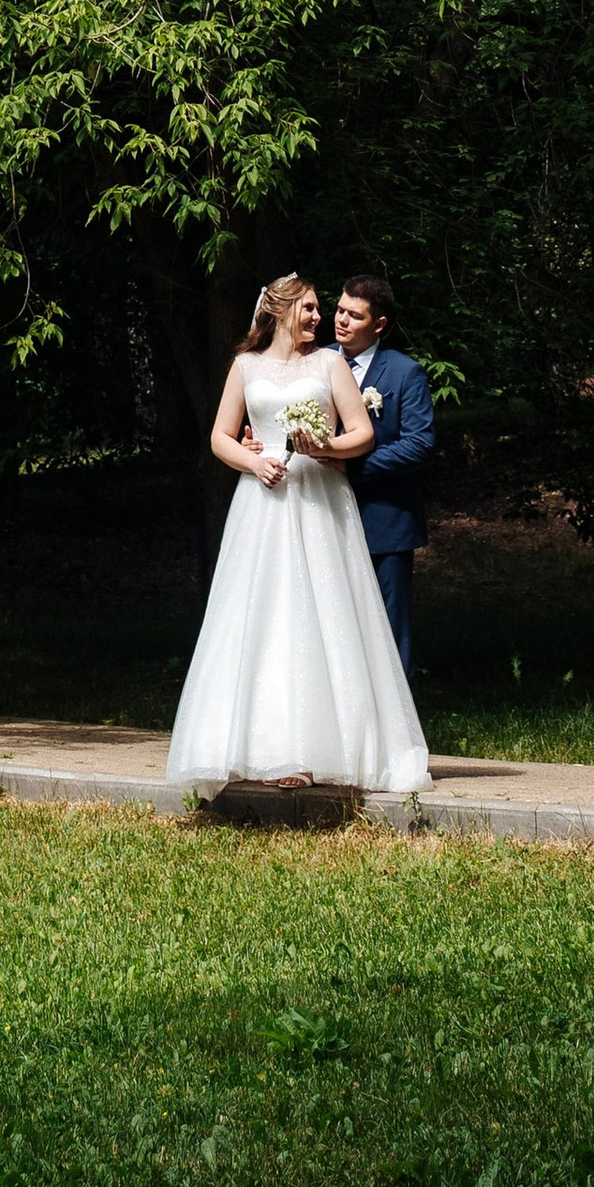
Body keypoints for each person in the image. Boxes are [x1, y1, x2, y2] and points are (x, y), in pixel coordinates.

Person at [164, 273, 431, 796]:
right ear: (280, 309)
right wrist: (253, 462)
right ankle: (246, 745)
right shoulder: (245, 366)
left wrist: (325, 448)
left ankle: (314, 751)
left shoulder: (329, 364)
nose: (319, 317)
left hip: (318, 501)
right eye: (309, 307)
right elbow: (220, 436)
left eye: (319, 308)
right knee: (260, 617)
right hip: (261, 506)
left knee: (320, 616)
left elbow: (363, 433)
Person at [332, 274, 434, 679]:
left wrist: (352, 466)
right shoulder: (316, 362)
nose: (341, 320)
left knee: (389, 629)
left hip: (385, 520)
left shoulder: (404, 373)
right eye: (340, 310)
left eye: (354, 316)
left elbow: (419, 444)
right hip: (324, 515)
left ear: (379, 325)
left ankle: (398, 714)